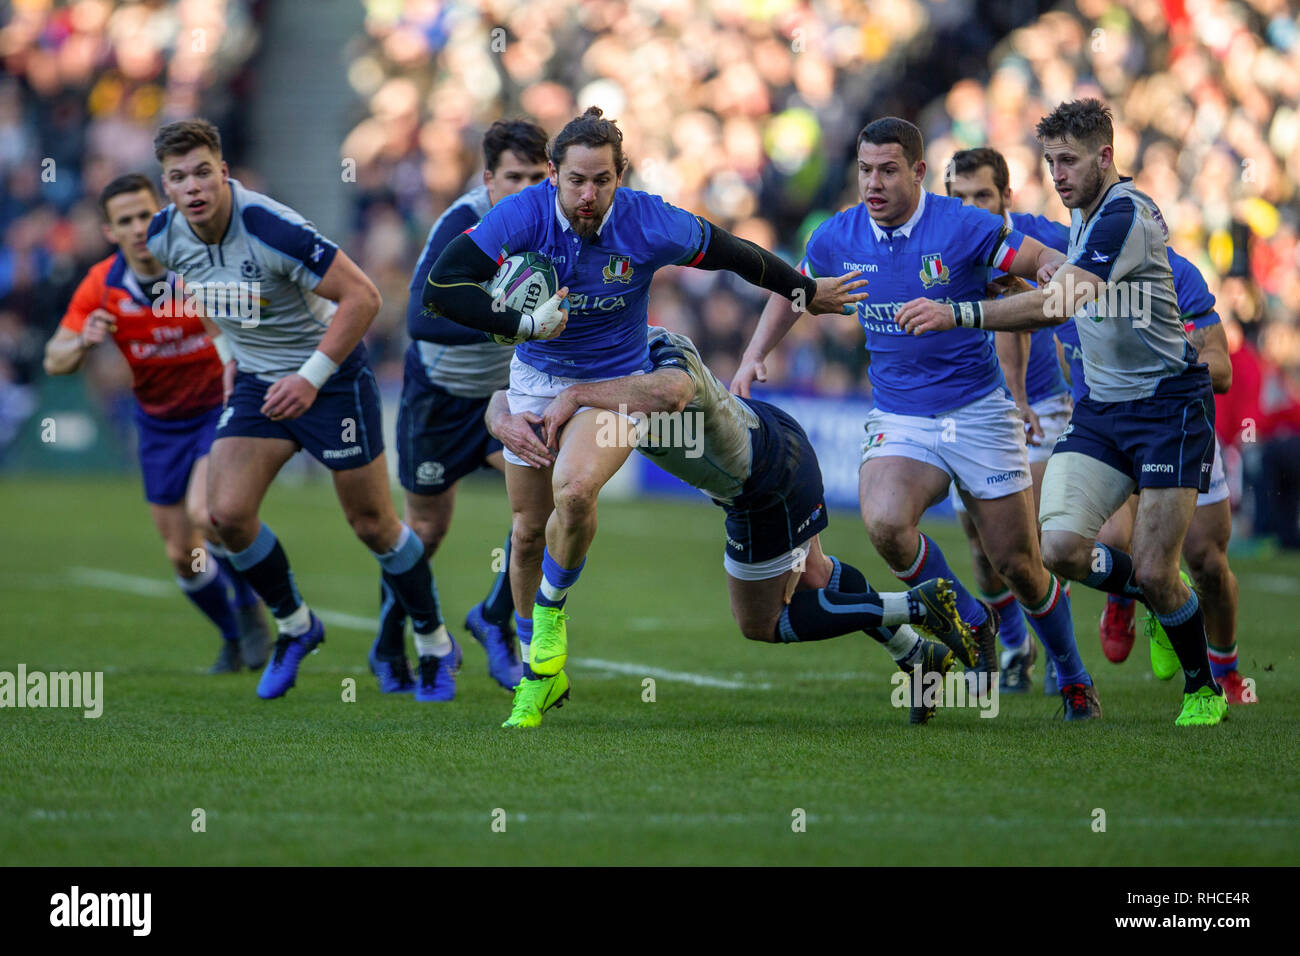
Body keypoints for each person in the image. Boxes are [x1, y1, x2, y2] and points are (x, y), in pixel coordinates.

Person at [423, 106, 866, 728]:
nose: (588, 194)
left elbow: (732, 252)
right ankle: (539, 674)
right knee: (527, 533)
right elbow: (441, 289)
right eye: (576, 179)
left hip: (615, 383)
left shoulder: (646, 219)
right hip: (534, 377)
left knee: (574, 489)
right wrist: (521, 324)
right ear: (553, 174)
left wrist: (804, 290)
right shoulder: (521, 214)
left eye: (602, 180)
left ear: (619, 176)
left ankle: (546, 643)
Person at [732, 117, 1100, 720]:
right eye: (864, 170)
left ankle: (1073, 676)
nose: (873, 183)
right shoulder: (838, 235)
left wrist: (1054, 275)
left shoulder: (963, 226)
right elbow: (795, 288)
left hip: (980, 412)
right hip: (901, 416)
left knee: (1019, 565)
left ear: (919, 172)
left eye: (887, 170)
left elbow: (1040, 260)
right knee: (884, 523)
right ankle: (974, 620)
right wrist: (753, 356)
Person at [895, 98, 1228, 726]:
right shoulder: (1079, 216)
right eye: (1051, 161)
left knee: (1161, 569)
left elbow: (1058, 305)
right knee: (1061, 549)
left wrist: (957, 312)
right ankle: (1157, 600)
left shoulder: (1123, 216)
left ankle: (1202, 687)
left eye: (1069, 160)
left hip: (1168, 408)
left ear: (1106, 156)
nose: (1059, 174)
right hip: (1101, 408)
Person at [485, 326, 977, 726]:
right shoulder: (602, 363)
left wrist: (575, 396)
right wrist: (500, 419)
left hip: (763, 483)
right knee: (817, 575)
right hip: (772, 444)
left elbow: (672, 391)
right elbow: (508, 396)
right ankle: (917, 657)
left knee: (762, 623)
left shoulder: (658, 356)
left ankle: (915, 603)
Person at [146, 118, 450, 700]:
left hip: (330, 379)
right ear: (167, 188)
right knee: (223, 515)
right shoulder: (165, 236)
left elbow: (364, 296)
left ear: (224, 173)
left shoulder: (270, 226)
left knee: (373, 526)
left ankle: (435, 640)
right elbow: (197, 289)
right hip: (259, 383)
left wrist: (311, 378)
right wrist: (225, 350)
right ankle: (295, 626)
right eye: (179, 177)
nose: (193, 187)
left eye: (203, 172)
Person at [43, 172, 271, 674]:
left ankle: (252, 607)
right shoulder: (102, 285)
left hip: (219, 409)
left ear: (163, 211)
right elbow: (53, 359)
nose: (137, 226)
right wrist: (82, 341)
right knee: (180, 555)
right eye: (125, 220)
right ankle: (235, 635)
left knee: (204, 511)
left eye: (145, 214)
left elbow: (259, 309)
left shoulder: (196, 263)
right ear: (110, 232)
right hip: (159, 424)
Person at [373, 119, 549, 698]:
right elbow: (422, 316)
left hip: (510, 397)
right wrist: (513, 324)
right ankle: (388, 639)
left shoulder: (556, 220)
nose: (525, 189)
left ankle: (493, 617)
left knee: (548, 504)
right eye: (512, 177)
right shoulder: (463, 225)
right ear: (487, 178)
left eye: (535, 177)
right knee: (425, 528)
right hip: (442, 394)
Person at [1056, 256, 1255, 705]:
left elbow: (1221, 369)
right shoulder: (1072, 268)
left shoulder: (1178, 276)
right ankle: (1134, 596)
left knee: (1206, 560)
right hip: (1111, 431)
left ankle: (1225, 668)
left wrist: (1171, 375)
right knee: (1102, 538)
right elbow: (1061, 356)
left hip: (1180, 424)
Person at [942, 147, 1076, 693]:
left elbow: (1023, 321)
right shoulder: (938, 239)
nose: (971, 208)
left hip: (1040, 404)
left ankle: (1062, 660)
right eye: (960, 198)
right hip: (968, 410)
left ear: (1006, 198)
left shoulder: (1041, 237)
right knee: (980, 544)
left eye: (983, 197)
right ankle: (1016, 644)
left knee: (1036, 542)